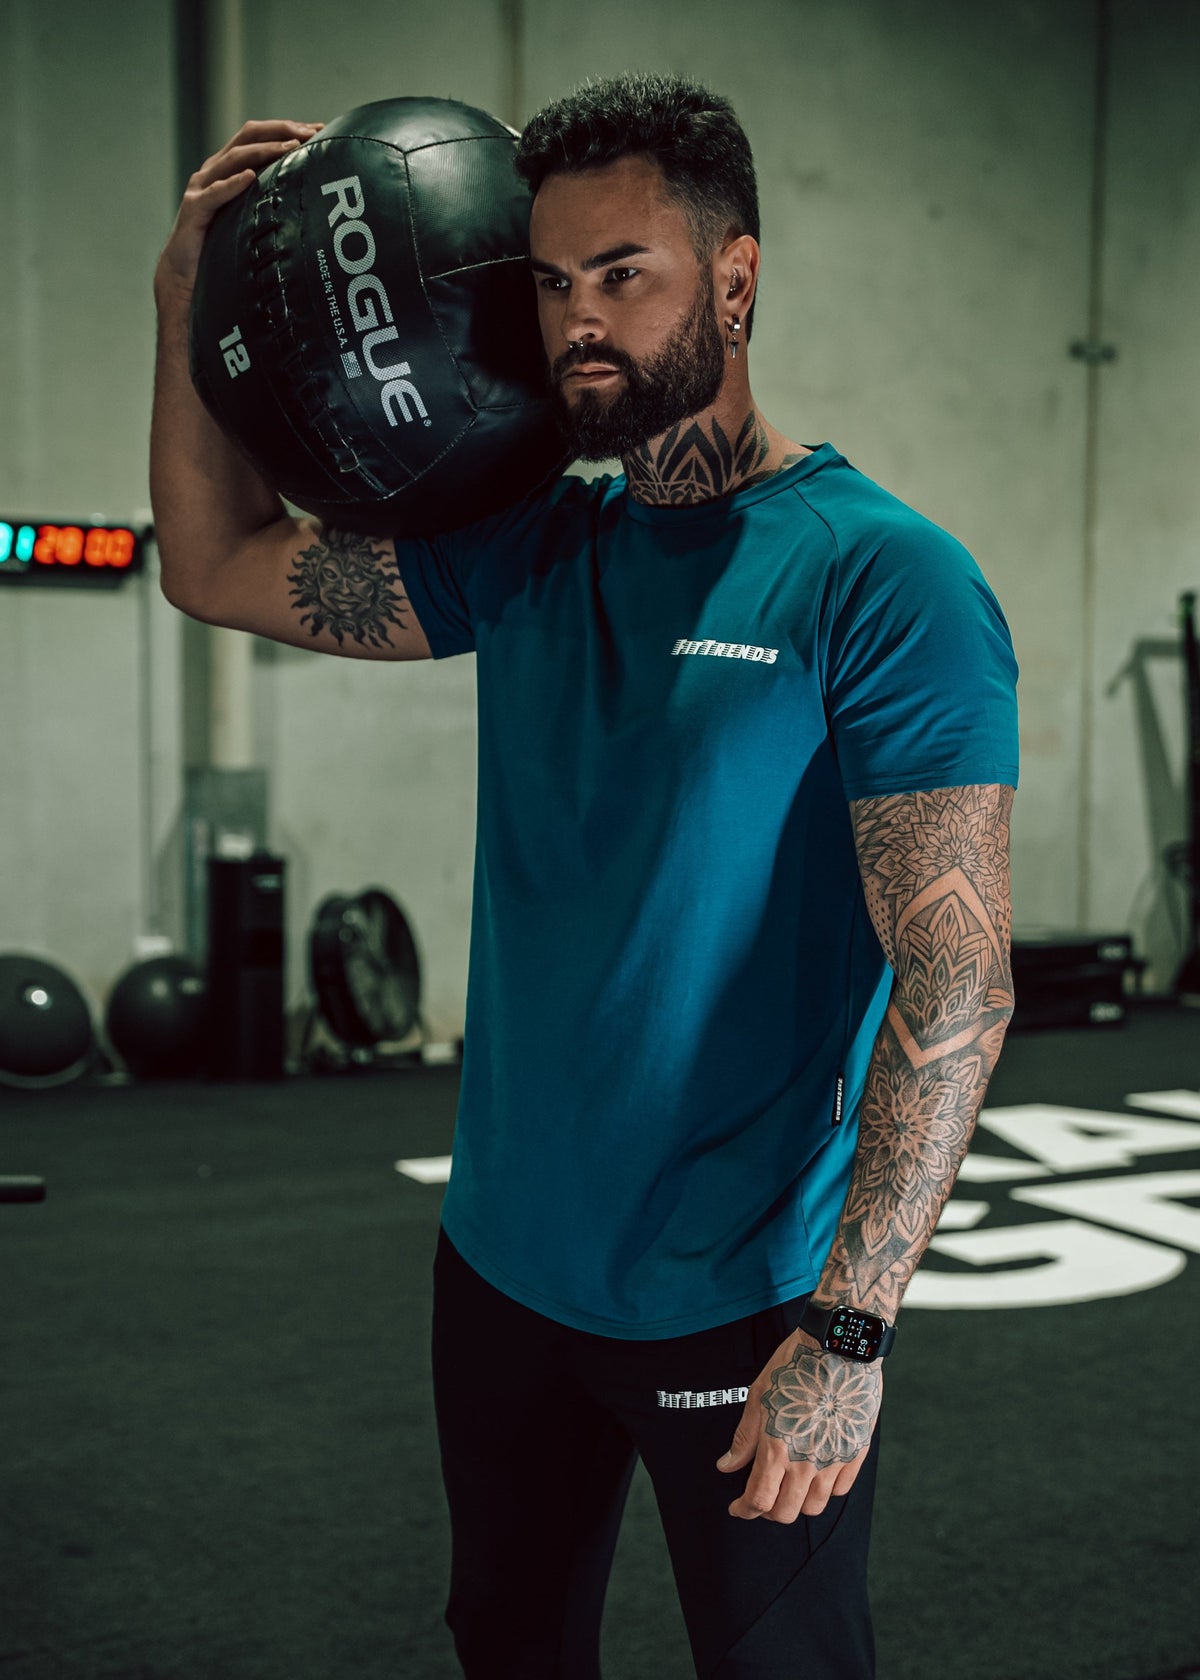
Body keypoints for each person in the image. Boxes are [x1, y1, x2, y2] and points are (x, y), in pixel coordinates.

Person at [152, 71, 1019, 1680]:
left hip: (743, 1300)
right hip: (500, 1275)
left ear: (737, 280)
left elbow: (957, 972)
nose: (579, 326)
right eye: (552, 285)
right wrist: (186, 302)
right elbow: (211, 564)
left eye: (626, 274)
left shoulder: (883, 578)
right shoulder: (528, 547)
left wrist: (849, 1329)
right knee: (508, 1647)